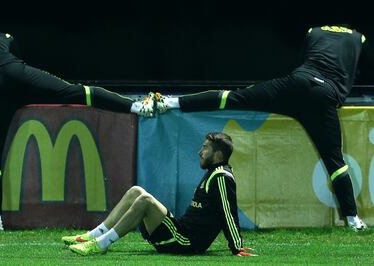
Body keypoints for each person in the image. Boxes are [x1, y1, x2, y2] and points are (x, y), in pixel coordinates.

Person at [150, 25, 374, 231]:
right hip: (323, 96)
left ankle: (171, 102)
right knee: (335, 162)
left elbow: (303, 60)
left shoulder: (313, 31)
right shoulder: (358, 37)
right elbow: (360, 71)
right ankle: (353, 219)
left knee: (233, 97)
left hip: (295, 83)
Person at [0, 31, 154, 231]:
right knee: (73, 91)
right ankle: (136, 106)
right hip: (16, 74)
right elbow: (18, 56)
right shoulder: (3, 35)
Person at [62, 132, 256, 256]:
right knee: (136, 191)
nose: (200, 152)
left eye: (205, 148)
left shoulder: (221, 176)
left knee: (145, 200)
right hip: (180, 232)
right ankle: (92, 236)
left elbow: (228, 214)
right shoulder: (213, 174)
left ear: (219, 155)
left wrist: (236, 247)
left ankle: (101, 244)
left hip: (186, 242)